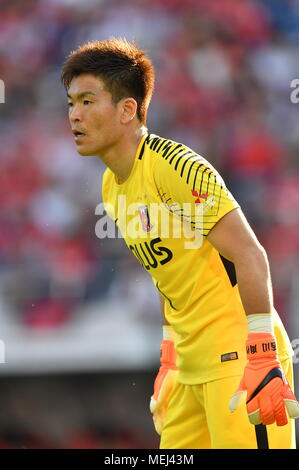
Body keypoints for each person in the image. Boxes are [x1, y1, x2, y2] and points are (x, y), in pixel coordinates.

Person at [61, 37, 299, 449]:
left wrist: (262, 352)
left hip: (238, 359)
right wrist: (169, 355)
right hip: (188, 369)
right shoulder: (111, 186)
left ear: (127, 109)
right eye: (70, 103)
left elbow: (249, 253)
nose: (74, 116)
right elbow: (166, 274)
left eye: (86, 101)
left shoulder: (174, 166)